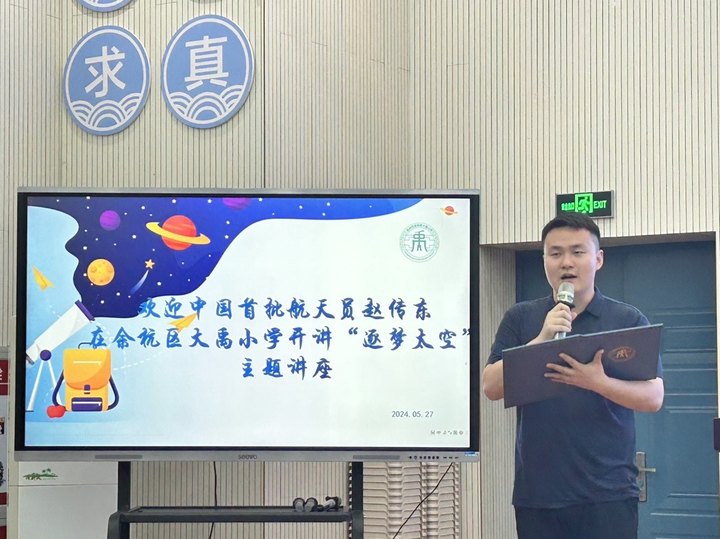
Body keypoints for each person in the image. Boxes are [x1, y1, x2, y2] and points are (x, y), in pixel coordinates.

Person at [482, 212, 664, 539]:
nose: (566, 262)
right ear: (544, 261)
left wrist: (597, 382)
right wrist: (540, 340)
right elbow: (491, 386)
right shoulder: (521, 318)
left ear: (598, 259)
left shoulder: (627, 319)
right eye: (555, 253)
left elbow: (653, 397)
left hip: (609, 494)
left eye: (578, 252)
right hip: (539, 495)